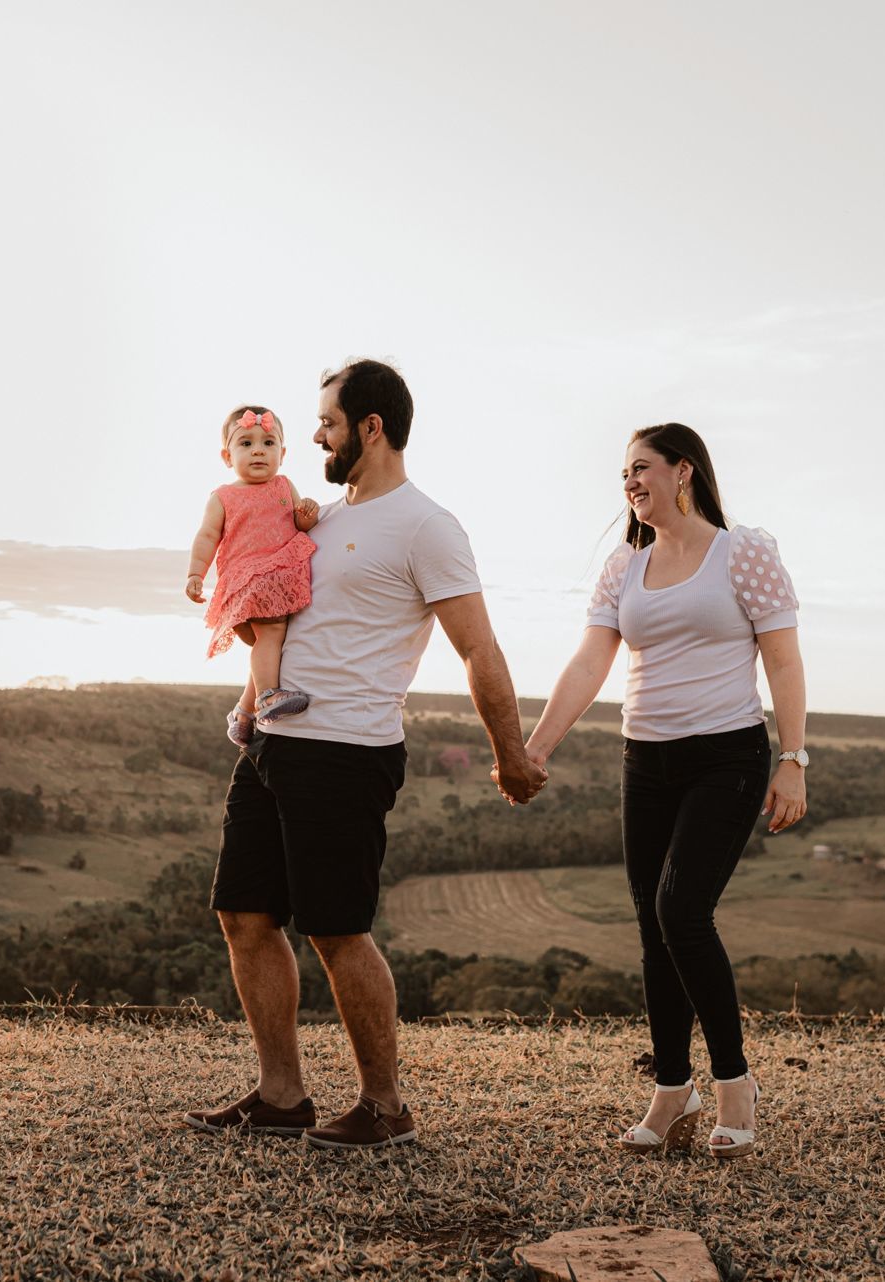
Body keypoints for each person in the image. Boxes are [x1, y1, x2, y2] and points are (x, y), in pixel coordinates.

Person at [182, 359, 547, 1151]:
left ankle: (385, 1107)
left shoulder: (427, 526)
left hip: (347, 753)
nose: (314, 434)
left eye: (328, 423)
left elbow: (478, 648)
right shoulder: (322, 518)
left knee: (337, 929)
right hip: (274, 743)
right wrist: (249, 709)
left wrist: (510, 754)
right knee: (244, 914)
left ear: (370, 428)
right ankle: (282, 1096)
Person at [525, 423, 807, 1160]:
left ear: (685, 471)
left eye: (642, 468)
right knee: (653, 930)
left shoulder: (744, 552)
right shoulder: (624, 565)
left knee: (680, 909)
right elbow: (590, 663)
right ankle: (671, 1087)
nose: (630, 482)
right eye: (623, 474)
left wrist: (795, 757)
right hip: (644, 762)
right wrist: (536, 748)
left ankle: (735, 1083)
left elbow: (782, 657)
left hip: (727, 759)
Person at [185, 406, 321, 748]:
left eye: (268, 442)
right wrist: (195, 573)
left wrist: (307, 516)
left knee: (270, 644)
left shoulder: (284, 485)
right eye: (246, 443)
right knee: (272, 633)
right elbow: (206, 537)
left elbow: (298, 524)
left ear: (283, 453)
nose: (258, 450)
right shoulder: (224, 497)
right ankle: (268, 698)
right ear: (227, 456)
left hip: (279, 575)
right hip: (249, 579)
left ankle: (243, 717)